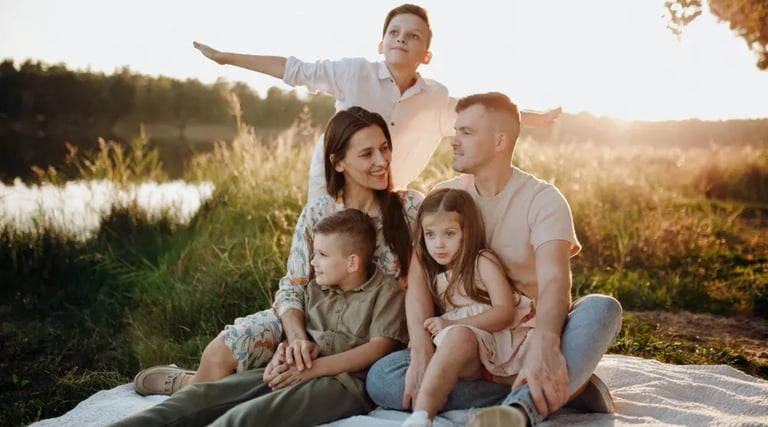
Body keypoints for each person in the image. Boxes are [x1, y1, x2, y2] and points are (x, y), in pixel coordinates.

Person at [365, 92, 623, 427]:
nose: (454, 141)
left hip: (527, 335)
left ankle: (522, 406)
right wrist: (420, 352)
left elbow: (556, 281)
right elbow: (418, 282)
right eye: (455, 131)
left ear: (500, 140)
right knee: (382, 378)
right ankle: (563, 390)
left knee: (603, 309)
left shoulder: (543, 200)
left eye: (466, 133)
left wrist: (546, 345)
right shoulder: (447, 196)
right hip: (468, 343)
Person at [133, 106, 423, 396]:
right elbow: (292, 287)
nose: (381, 160)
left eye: (384, 148)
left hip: (373, 330)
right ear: (337, 163)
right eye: (367, 153)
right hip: (312, 321)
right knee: (221, 352)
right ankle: (188, 384)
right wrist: (297, 340)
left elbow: (429, 279)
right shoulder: (317, 213)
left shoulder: (410, 209)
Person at [193, 3, 562, 201]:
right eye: (394, 33)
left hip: (387, 193)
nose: (402, 39)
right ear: (381, 44)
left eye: (413, 36)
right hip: (333, 183)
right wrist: (228, 58)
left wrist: (536, 119)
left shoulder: (435, 98)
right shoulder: (353, 73)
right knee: (327, 254)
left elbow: (484, 117)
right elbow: (293, 69)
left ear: (427, 54)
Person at [109, 208, 409, 426]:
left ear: (353, 262)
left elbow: (377, 349)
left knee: (245, 418)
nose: (313, 261)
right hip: (293, 369)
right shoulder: (316, 287)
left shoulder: (387, 293)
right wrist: (284, 353)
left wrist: (312, 370)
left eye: (322, 255)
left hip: (341, 386)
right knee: (203, 397)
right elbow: (292, 330)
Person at [400, 188, 537, 427]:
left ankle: (422, 414)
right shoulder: (433, 271)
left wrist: (453, 324)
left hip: (499, 342)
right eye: (430, 235)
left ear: (467, 232)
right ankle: (424, 414)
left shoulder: (482, 262)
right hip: (470, 358)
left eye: (449, 234)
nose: (438, 244)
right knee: (385, 374)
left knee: (459, 336)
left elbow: (504, 312)